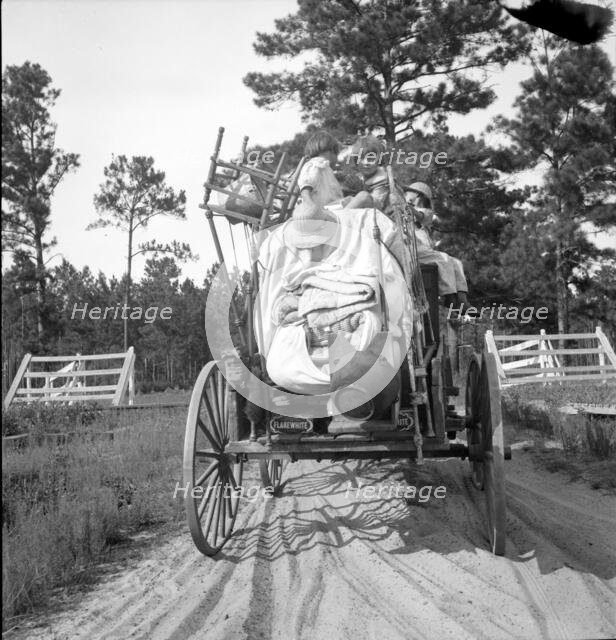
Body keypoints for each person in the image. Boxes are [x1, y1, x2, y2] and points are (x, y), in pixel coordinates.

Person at [404, 182, 469, 308]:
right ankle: (447, 296)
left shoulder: (426, 212)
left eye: (409, 191)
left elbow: (419, 216)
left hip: (420, 249)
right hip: (412, 248)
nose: (406, 193)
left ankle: (461, 298)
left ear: (418, 195)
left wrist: (407, 207)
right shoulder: (401, 207)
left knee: (456, 262)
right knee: (444, 258)